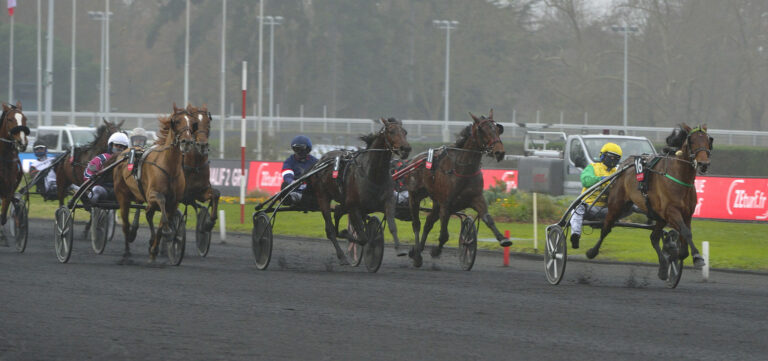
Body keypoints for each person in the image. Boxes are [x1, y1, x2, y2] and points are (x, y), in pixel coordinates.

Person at [569, 142, 622, 249]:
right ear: (603, 155)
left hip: (607, 210)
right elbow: (586, 181)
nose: (613, 160)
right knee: (576, 208)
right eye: (611, 157)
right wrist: (600, 180)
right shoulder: (592, 167)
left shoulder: (617, 172)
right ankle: (575, 235)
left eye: (616, 158)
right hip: (589, 206)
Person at [83, 132, 130, 205]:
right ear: (111, 146)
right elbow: (88, 173)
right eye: (116, 145)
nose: (118, 148)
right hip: (103, 190)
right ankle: (90, 206)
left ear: (125, 148)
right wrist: (92, 178)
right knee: (97, 190)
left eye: (121, 146)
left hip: (119, 191)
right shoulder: (101, 158)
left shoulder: (128, 161)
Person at [281, 135, 318, 205]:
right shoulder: (289, 161)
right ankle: (290, 199)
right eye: (297, 149)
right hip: (294, 189)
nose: (299, 152)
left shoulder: (315, 162)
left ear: (308, 149)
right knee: (284, 184)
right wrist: (292, 182)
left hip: (309, 191)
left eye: (302, 149)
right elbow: (287, 174)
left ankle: (303, 199)